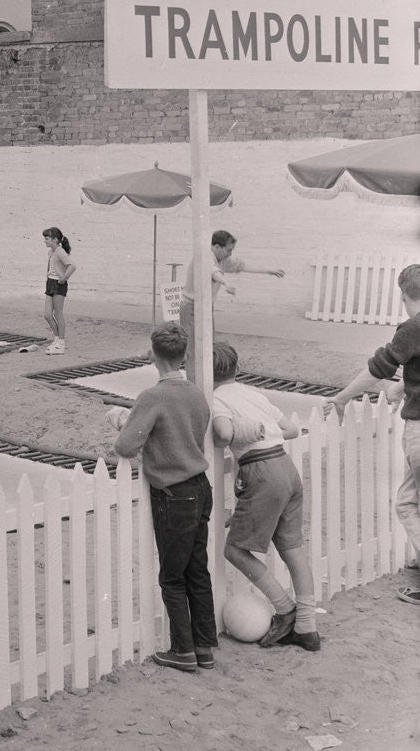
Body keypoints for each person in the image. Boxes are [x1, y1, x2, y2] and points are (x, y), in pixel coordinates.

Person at [110, 322, 218, 672]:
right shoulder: (196, 394)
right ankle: (204, 646)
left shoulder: (153, 396)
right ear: (184, 354)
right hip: (200, 485)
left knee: (172, 576)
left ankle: (182, 650)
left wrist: (121, 422)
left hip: (174, 492)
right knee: (197, 570)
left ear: (153, 355)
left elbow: (126, 446)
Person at [211, 342, 320, 651]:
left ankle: (285, 610)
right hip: (286, 467)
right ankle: (307, 627)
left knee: (234, 550)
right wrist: (263, 430)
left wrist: (242, 432)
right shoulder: (253, 394)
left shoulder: (217, 399)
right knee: (292, 548)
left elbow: (223, 434)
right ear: (236, 369)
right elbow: (290, 430)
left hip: (261, 472)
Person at [326, 264, 420, 605]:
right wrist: (406, 386)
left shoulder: (412, 327)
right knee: (410, 501)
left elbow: (377, 368)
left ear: (406, 295)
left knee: (410, 503)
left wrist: (342, 397)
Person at [179, 230, 285, 384]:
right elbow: (213, 272)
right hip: (191, 309)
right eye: (228, 250)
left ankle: (205, 383)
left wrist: (269, 271)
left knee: (208, 347)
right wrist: (226, 283)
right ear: (216, 247)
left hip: (206, 308)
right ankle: (194, 387)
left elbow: (242, 265)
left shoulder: (222, 259)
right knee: (194, 351)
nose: (230, 254)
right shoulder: (205, 256)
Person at [42, 227, 76, 355]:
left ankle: (61, 343)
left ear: (55, 240)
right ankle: (56, 339)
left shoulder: (60, 252)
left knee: (58, 314)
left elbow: (72, 266)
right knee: (47, 315)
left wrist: (64, 278)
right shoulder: (51, 252)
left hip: (58, 284)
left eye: (47, 239)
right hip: (50, 283)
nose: (44, 241)